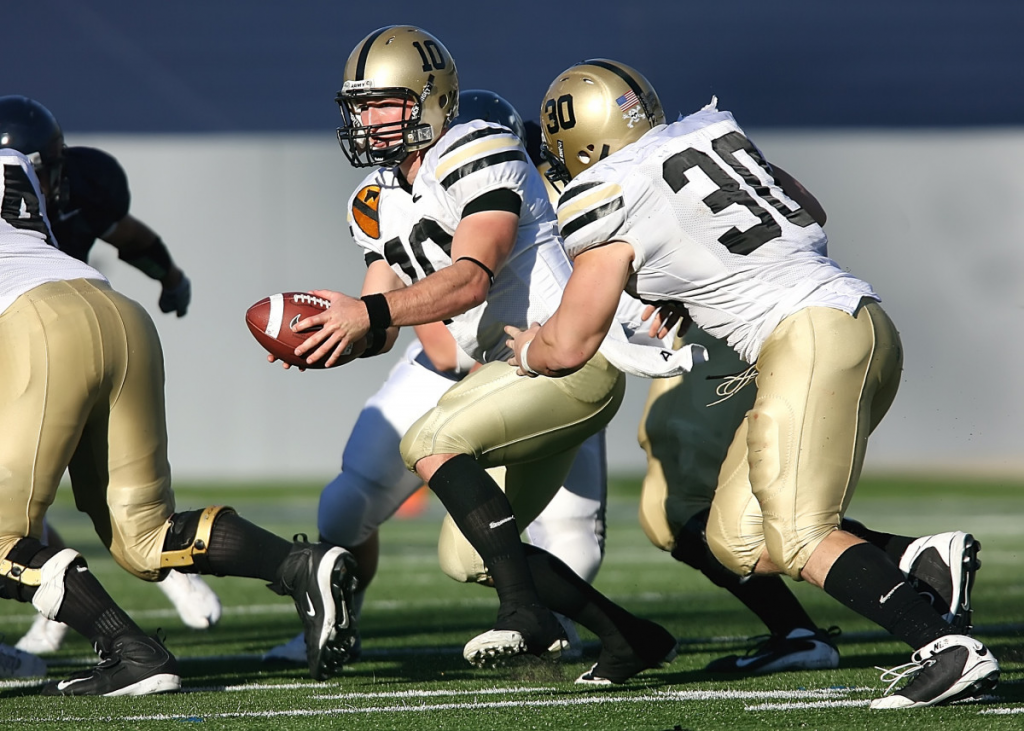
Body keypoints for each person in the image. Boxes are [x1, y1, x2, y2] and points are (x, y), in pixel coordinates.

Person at [505, 59, 999, 707]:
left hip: (808, 337)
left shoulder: (609, 189)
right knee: (736, 536)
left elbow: (571, 340)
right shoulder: (706, 134)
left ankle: (943, 647)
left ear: (582, 139)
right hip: (857, 322)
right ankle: (916, 562)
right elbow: (807, 210)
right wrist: (689, 276)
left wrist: (531, 352)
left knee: (799, 530)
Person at [290, 26, 700, 684]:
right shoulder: (382, 196)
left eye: (383, 103)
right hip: (512, 373)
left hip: (563, 360)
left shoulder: (477, 148)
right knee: (468, 553)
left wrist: (366, 312)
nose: (365, 119)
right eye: (359, 104)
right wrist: (329, 336)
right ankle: (631, 637)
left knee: (431, 437)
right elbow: (382, 321)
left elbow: (472, 276)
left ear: (429, 100)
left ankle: (526, 615)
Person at [266, 90, 612, 666]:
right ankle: (337, 622)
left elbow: (493, 282)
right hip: (451, 361)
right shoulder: (386, 197)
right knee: (348, 505)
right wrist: (337, 336)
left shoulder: (518, 183)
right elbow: (423, 328)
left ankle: (555, 626)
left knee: (572, 529)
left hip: (541, 357)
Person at [0, 148, 357, 695]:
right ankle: (297, 565)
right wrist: (169, 276)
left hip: (31, 321)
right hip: (112, 305)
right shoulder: (14, 161)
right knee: (144, 535)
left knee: (2, 538)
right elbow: (120, 231)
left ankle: (130, 649)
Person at [0, 95, 220, 655]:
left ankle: (145, 584)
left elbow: (127, 233)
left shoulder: (82, 188)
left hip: (47, 332)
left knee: (62, 498)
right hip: (47, 327)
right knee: (26, 497)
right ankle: (65, 603)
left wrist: (170, 275)